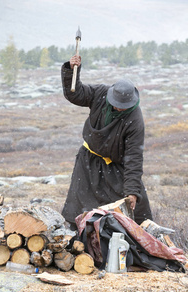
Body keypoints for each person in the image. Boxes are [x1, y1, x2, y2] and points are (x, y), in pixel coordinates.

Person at [61, 54, 153, 229]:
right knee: (81, 208)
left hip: (116, 166)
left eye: (123, 106)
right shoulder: (100, 93)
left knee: (134, 212)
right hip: (88, 160)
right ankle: (80, 243)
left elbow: (134, 156)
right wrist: (72, 70)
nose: (119, 108)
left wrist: (132, 192)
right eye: (116, 104)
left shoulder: (135, 119)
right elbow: (76, 93)